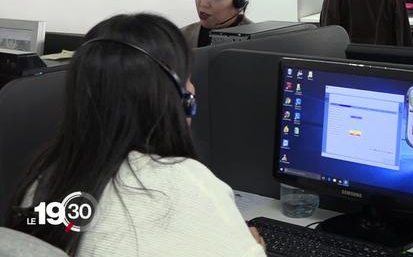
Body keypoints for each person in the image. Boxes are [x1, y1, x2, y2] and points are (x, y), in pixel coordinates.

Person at [6, 13, 266, 256]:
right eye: (187, 77)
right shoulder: (186, 182)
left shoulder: (46, 180)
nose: (192, 87)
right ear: (178, 97)